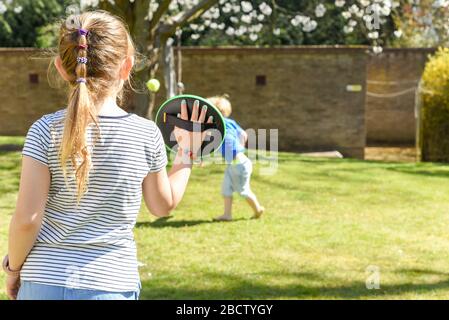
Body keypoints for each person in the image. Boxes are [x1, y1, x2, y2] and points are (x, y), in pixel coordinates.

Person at [4, 10, 211, 300]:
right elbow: (162, 206)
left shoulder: (43, 131)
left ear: (61, 68)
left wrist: (13, 270)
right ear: (127, 68)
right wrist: (187, 154)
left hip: (42, 282)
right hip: (111, 285)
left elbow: (27, 220)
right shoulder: (145, 134)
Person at [208, 95, 265, 222]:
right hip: (236, 163)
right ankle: (227, 215)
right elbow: (244, 134)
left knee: (243, 191)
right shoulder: (230, 122)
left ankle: (258, 209)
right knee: (226, 189)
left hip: (239, 163)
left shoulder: (217, 125)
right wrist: (240, 144)